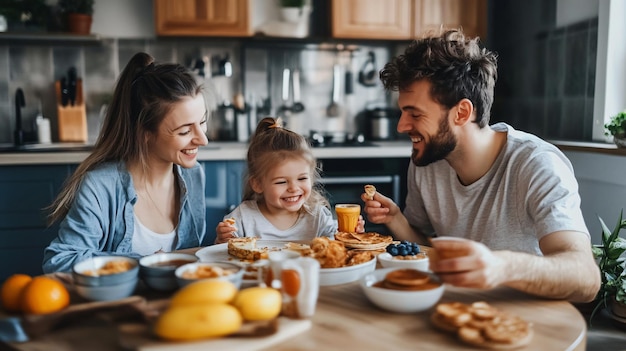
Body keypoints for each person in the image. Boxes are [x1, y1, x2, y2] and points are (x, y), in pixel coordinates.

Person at [362, 29, 600, 303]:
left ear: (462, 112)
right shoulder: (427, 159)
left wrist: (503, 267)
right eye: (403, 112)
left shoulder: (536, 164)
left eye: (415, 114)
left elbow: (586, 279)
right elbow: (425, 247)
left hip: (525, 321)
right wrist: (396, 219)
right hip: (454, 308)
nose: (401, 126)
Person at [43, 52, 209, 273]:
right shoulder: (100, 186)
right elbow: (58, 262)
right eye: (185, 131)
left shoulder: (193, 175)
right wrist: (141, 263)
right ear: (144, 133)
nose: (203, 139)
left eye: (203, 122)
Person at [215, 117, 363, 244]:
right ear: (258, 184)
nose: (293, 188)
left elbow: (339, 249)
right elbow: (222, 255)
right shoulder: (242, 218)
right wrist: (222, 241)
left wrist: (351, 236)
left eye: (302, 178)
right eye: (281, 182)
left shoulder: (318, 217)